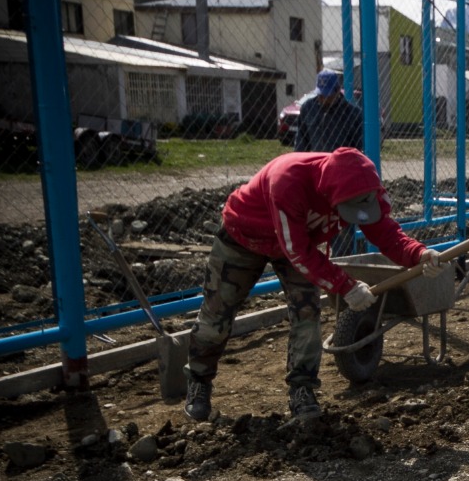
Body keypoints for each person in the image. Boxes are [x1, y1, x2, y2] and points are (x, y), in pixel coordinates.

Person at [183, 147, 442, 423]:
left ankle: (302, 390)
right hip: (244, 236)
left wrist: (419, 253)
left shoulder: (362, 185)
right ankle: (199, 381)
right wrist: (346, 285)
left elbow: (385, 232)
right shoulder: (288, 182)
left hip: (297, 241)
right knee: (217, 313)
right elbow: (298, 252)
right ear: (330, 194)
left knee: (307, 313)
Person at [297, 69, 367, 257]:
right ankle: (310, 263)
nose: (322, 100)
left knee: (340, 227)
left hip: (341, 180)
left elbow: (357, 151)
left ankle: (343, 264)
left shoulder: (352, 115)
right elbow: (301, 145)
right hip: (315, 176)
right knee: (308, 224)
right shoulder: (308, 109)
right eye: (320, 95)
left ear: (337, 92)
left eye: (327, 96)